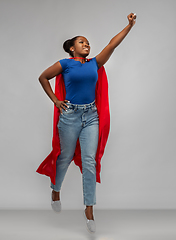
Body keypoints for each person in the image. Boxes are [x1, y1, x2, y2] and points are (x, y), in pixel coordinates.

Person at [37, 13, 136, 233]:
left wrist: (129, 26)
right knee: (65, 157)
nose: (87, 45)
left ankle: (89, 208)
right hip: (70, 115)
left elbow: (112, 44)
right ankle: (55, 189)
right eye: (81, 42)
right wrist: (55, 100)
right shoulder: (65, 64)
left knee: (89, 162)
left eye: (88, 43)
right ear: (72, 48)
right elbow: (43, 77)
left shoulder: (95, 63)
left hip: (91, 116)